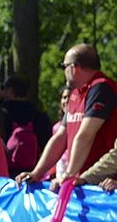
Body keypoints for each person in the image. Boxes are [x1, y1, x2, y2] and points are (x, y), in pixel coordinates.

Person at [16, 45, 117, 191]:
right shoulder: (75, 94)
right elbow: (60, 137)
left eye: (63, 66)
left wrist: (68, 175)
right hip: (80, 182)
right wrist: (36, 173)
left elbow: (85, 135)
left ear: (73, 68)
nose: (63, 71)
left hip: (99, 186)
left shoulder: (101, 88)